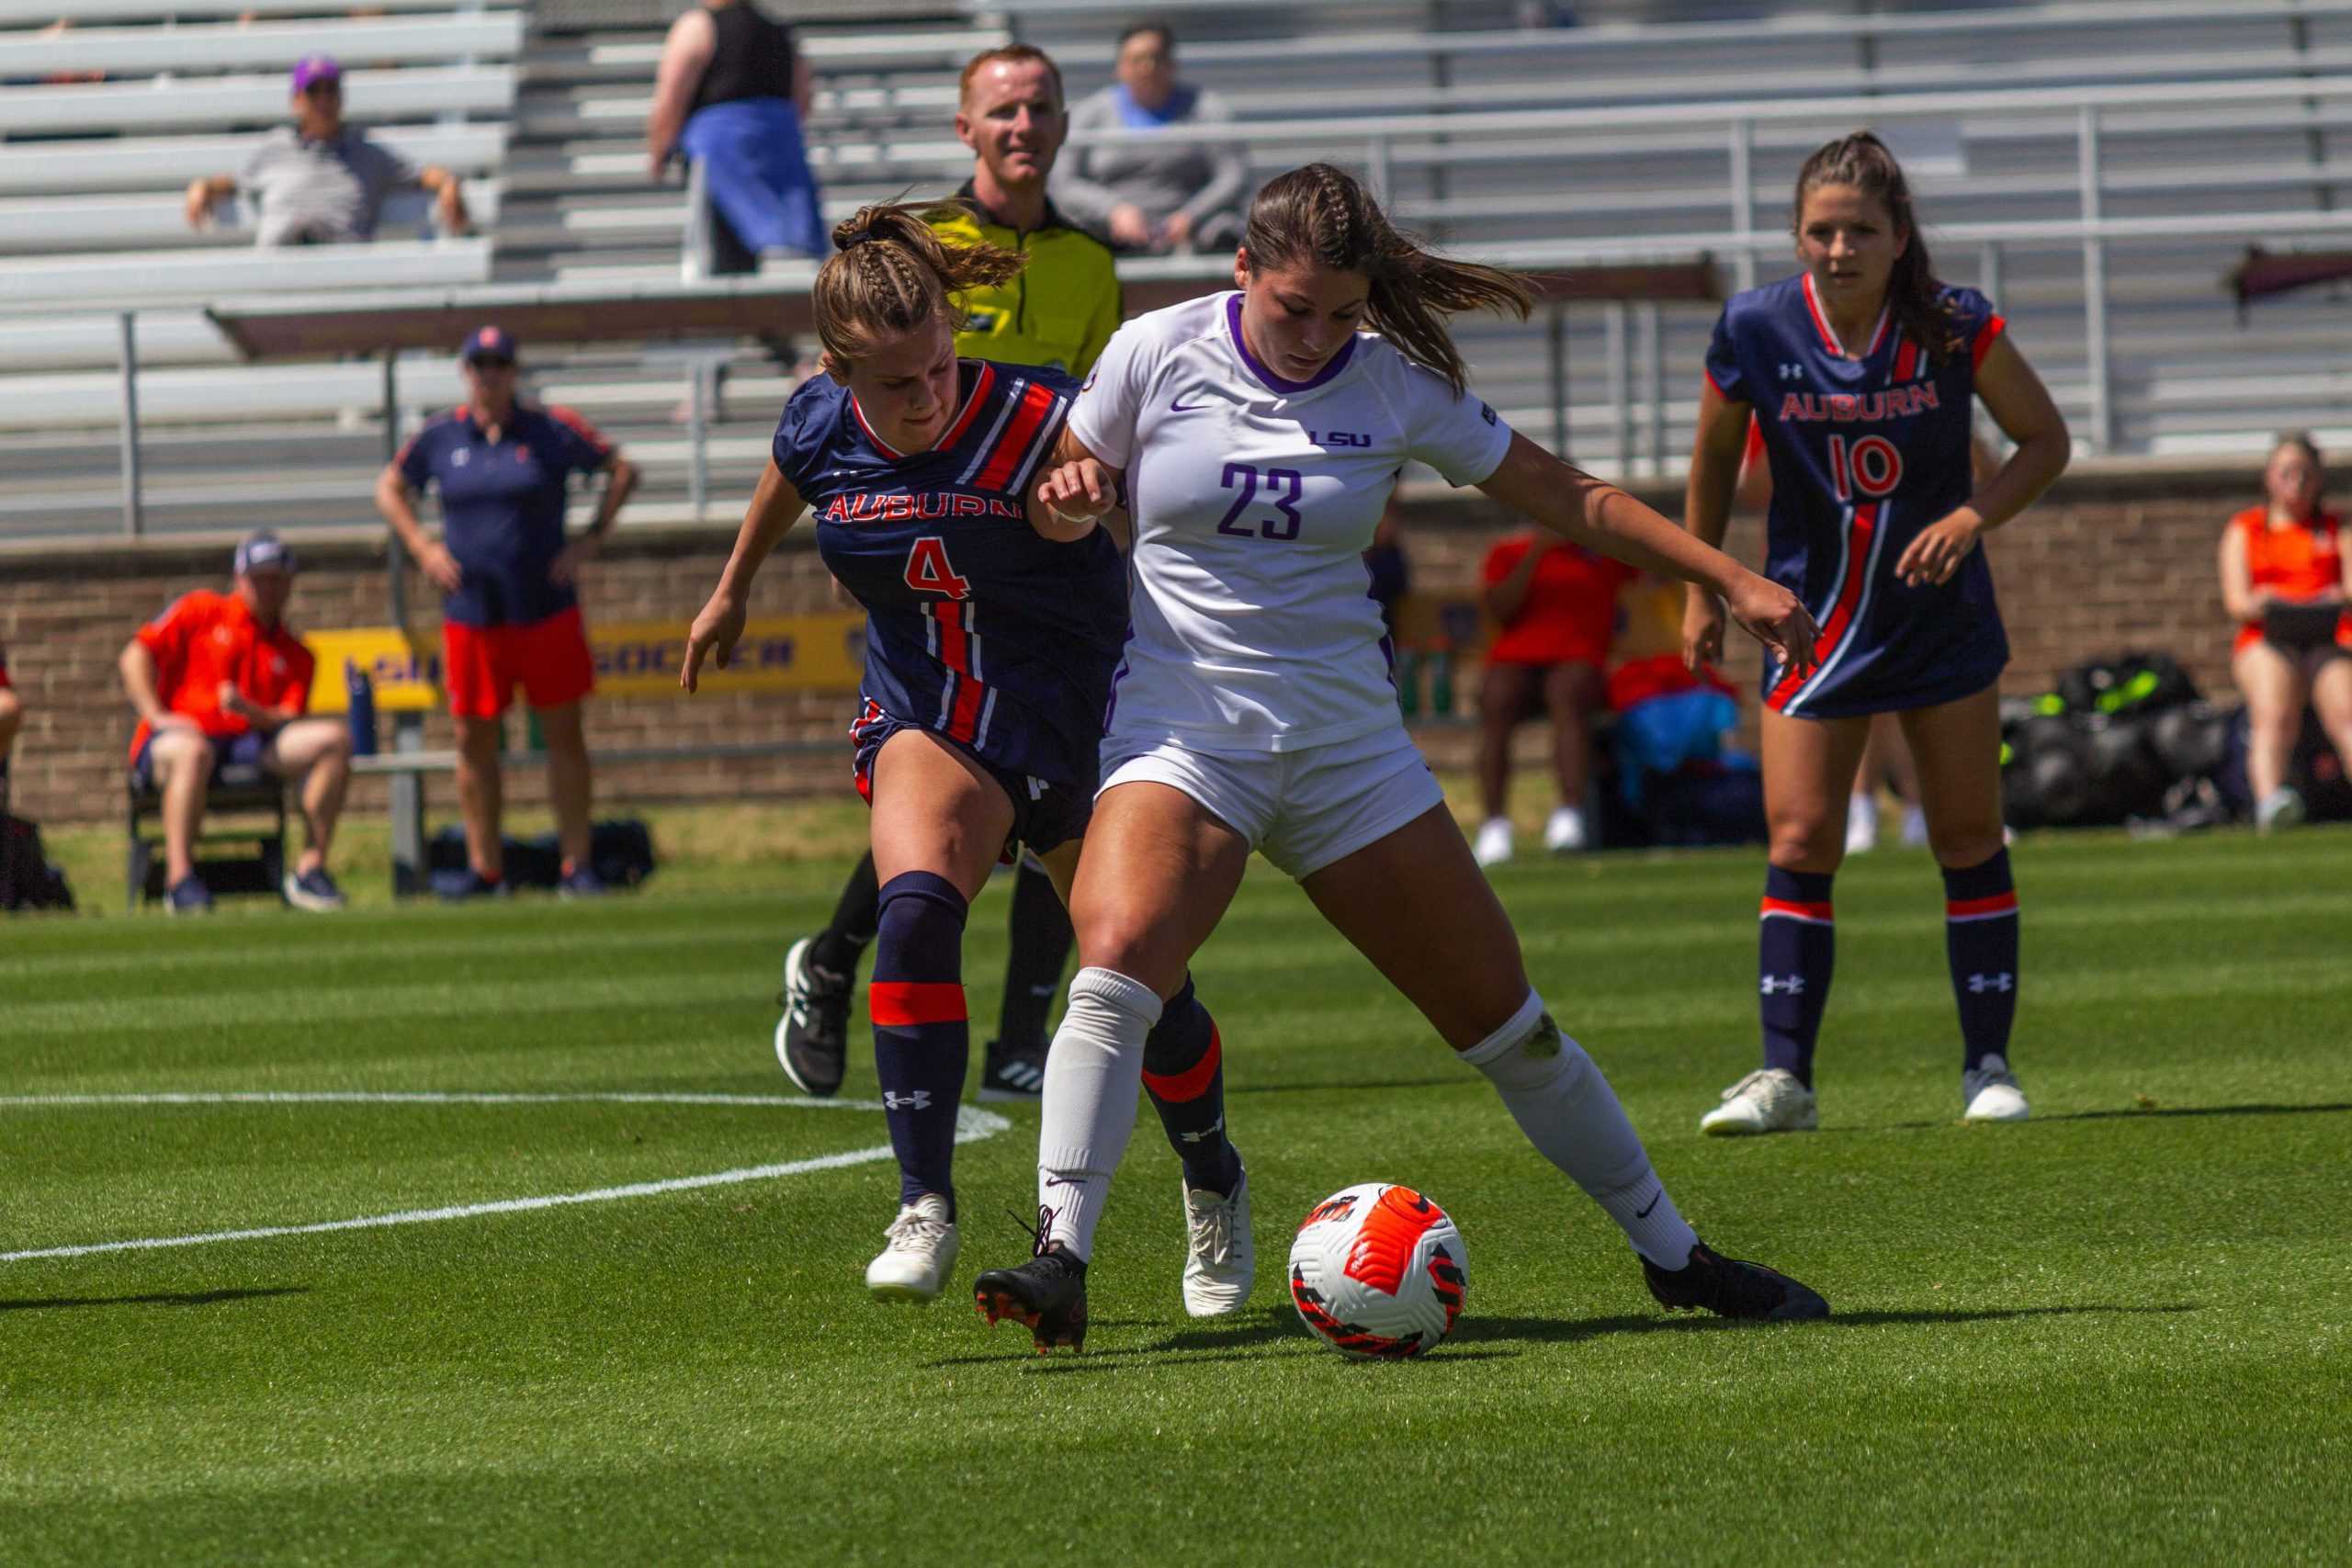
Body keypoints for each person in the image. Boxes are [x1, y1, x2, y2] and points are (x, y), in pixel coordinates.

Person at [968, 163, 1832, 1354]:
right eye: (1294, 309)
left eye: (1342, 311)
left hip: (1345, 749)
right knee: (1114, 964)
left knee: (1508, 1024)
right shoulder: (1151, 352)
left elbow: (1564, 494)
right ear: (1241, 273)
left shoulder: (1391, 384)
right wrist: (1070, 496)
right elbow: (1053, 499)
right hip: (1185, 731)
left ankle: (1674, 1254)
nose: (1320, 334)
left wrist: (1728, 576)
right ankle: (1062, 1254)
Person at [682, 204, 1252, 1313]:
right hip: (931, 709)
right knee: (913, 910)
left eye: (940, 364)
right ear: (841, 370)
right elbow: (786, 475)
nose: (928, 394)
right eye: (897, 384)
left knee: (1144, 976)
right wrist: (731, 586)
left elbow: (1161, 507)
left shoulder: (1042, 411)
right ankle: (923, 1203)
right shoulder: (819, 422)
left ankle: (1214, 1179)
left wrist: (1098, 506)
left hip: (1089, 716)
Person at [1680, 130, 2070, 1136]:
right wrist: (1699, 586)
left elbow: (2045, 440)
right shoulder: (1754, 328)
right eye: (1820, 230)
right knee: (1803, 836)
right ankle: (1785, 1079)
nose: (1838, 248)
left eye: (1860, 229)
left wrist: (1973, 516)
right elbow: (1713, 466)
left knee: (1966, 835)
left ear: (1900, 237)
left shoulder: (1953, 325)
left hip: (1939, 618)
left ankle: (1988, 1066)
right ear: (1795, 237)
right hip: (1812, 621)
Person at [777, 43, 1124, 1107]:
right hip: (930, 565)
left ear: (1063, 124)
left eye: (1040, 109)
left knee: (1053, 793)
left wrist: (1102, 517)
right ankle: (842, 964)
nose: (1023, 126)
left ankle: (1021, 1031)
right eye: (1001, 110)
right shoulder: (912, 250)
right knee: (945, 797)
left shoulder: (1088, 264)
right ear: (963, 128)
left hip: (1042, 566)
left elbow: (1103, 417)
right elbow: (824, 408)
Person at [376, 327, 640, 898]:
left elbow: (622, 469)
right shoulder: (442, 435)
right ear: (466, 372)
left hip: (546, 610)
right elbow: (391, 487)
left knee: (564, 738)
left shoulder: (551, 429)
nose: (489, 374)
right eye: (479, 364)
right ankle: (485, 866)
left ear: (514, 371)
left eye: (499, 364)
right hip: (472, 615)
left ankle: (577, 864)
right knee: (474, 742)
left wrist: (589, 540)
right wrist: (423, 549)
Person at [117, 532, 353, 914]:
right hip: (179, 739)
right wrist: (158, 715)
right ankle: (180, 881)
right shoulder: (200, 610)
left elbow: (287, 718)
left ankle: (310, 870)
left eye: (277, 578)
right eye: (259, 577)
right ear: (239, 579)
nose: (268, 587)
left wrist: (249, 710)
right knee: (193, 752)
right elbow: (134, 654)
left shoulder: (296, 654)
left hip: (250, 742)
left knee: (334, 739)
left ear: (290, 583)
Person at [1469, 527, 1633, 864]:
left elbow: (1650, 570)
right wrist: (1536, 554)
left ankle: (1569, 814)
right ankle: (1494, 823)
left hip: (1578, 661)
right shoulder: (1509, 552)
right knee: (1496, 695)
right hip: (1516, 660)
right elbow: (1500, 609)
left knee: (1566, 694)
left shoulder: (1598, 551)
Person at [185, 55, 468, 246]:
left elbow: (421, 175)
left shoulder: (367, 153)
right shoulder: (274, 149)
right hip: (280, 267)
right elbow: (235, 182)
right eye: (314, 91)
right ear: (296, 101)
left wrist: (448, 184)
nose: (324, 99)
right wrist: (204, 186)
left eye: (331, 90)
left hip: (342, 268)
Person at [2219, 431, 2352, 830]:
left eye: (2306, 473)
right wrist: (2268, 599)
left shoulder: (2335, 528)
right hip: (2268, 638)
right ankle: (2269, 800)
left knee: (2345, 708)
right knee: (2275, 709)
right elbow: (2237, 603)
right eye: (2287, 472)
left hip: (2327, 638)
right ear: (2269, 478)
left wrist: (2331, 596)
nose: (2297, 482)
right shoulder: (2246, 529)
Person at [646, 0, 826, 273]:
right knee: (792, 240)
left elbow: (671, 97)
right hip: (779, 145)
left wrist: (658, 153)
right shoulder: (778, 32)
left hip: (721, 150)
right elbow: (802, 98)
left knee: (721, 251)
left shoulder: (697, 26)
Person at [1054, 22, 1249, 255]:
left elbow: (1232, 176)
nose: (1147, 68)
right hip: (1109, 229)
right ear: (1120, 67)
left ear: (1172, 65)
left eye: (1156, 58)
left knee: (1230, 234)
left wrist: (1191, 216)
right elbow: (1064, 182)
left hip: (1195, 230)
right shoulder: (1090, 114)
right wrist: (1114, 210)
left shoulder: (1207, 110)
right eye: (1137, 60)